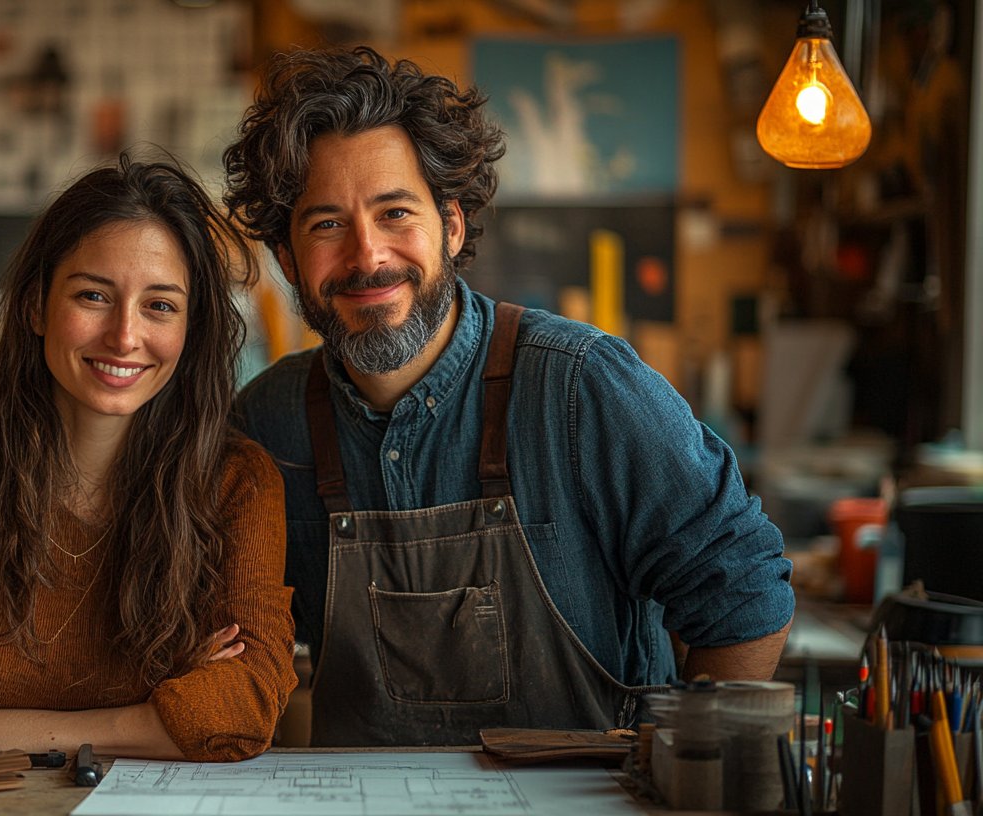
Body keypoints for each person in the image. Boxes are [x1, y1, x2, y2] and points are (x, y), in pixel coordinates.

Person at [223, 46, 794, 746]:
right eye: (326, 224)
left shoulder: (582, 388)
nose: (367, 255)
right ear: (287, 259)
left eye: (395, 212)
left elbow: (744, 594)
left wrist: (697, 770)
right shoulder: (265, 425)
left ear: (452, 226)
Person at [0, 154, 297, 765]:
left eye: (160, 305)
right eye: (94, 295)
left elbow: (245, 708)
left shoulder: (235, 483)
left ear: (191, 328)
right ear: (35, 306)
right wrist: (146, 720)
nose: (125, 336)